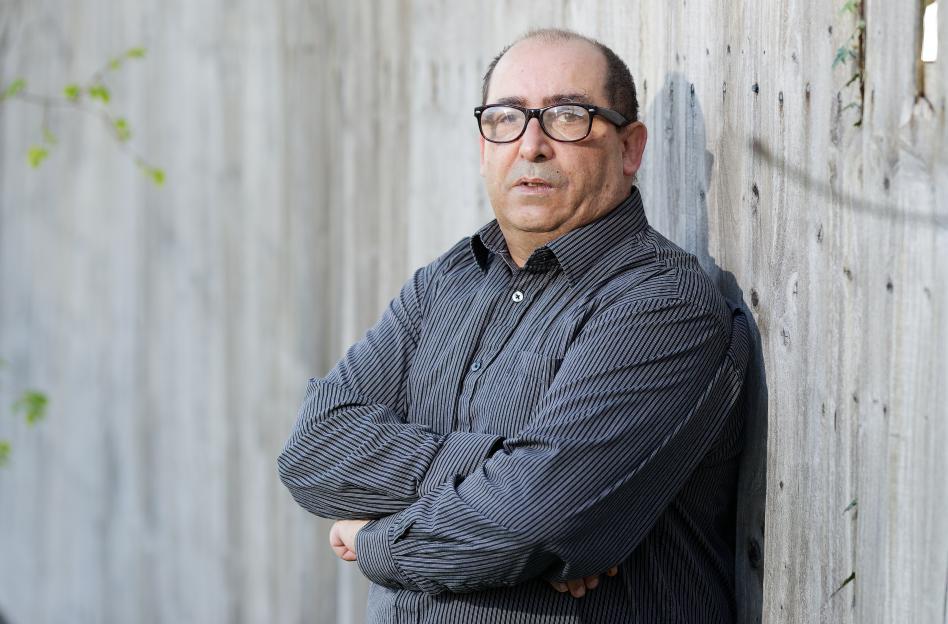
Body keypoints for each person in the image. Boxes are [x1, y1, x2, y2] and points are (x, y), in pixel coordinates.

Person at [278, 28, 750, 623]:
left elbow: (529, 521)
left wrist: (374, 538)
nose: (531, 145)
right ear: (484, 147)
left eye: (568, 116)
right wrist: (497, 472)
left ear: (630, 149)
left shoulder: (661, 305)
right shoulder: (446, 283)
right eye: (506, 119)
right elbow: (311, 451)